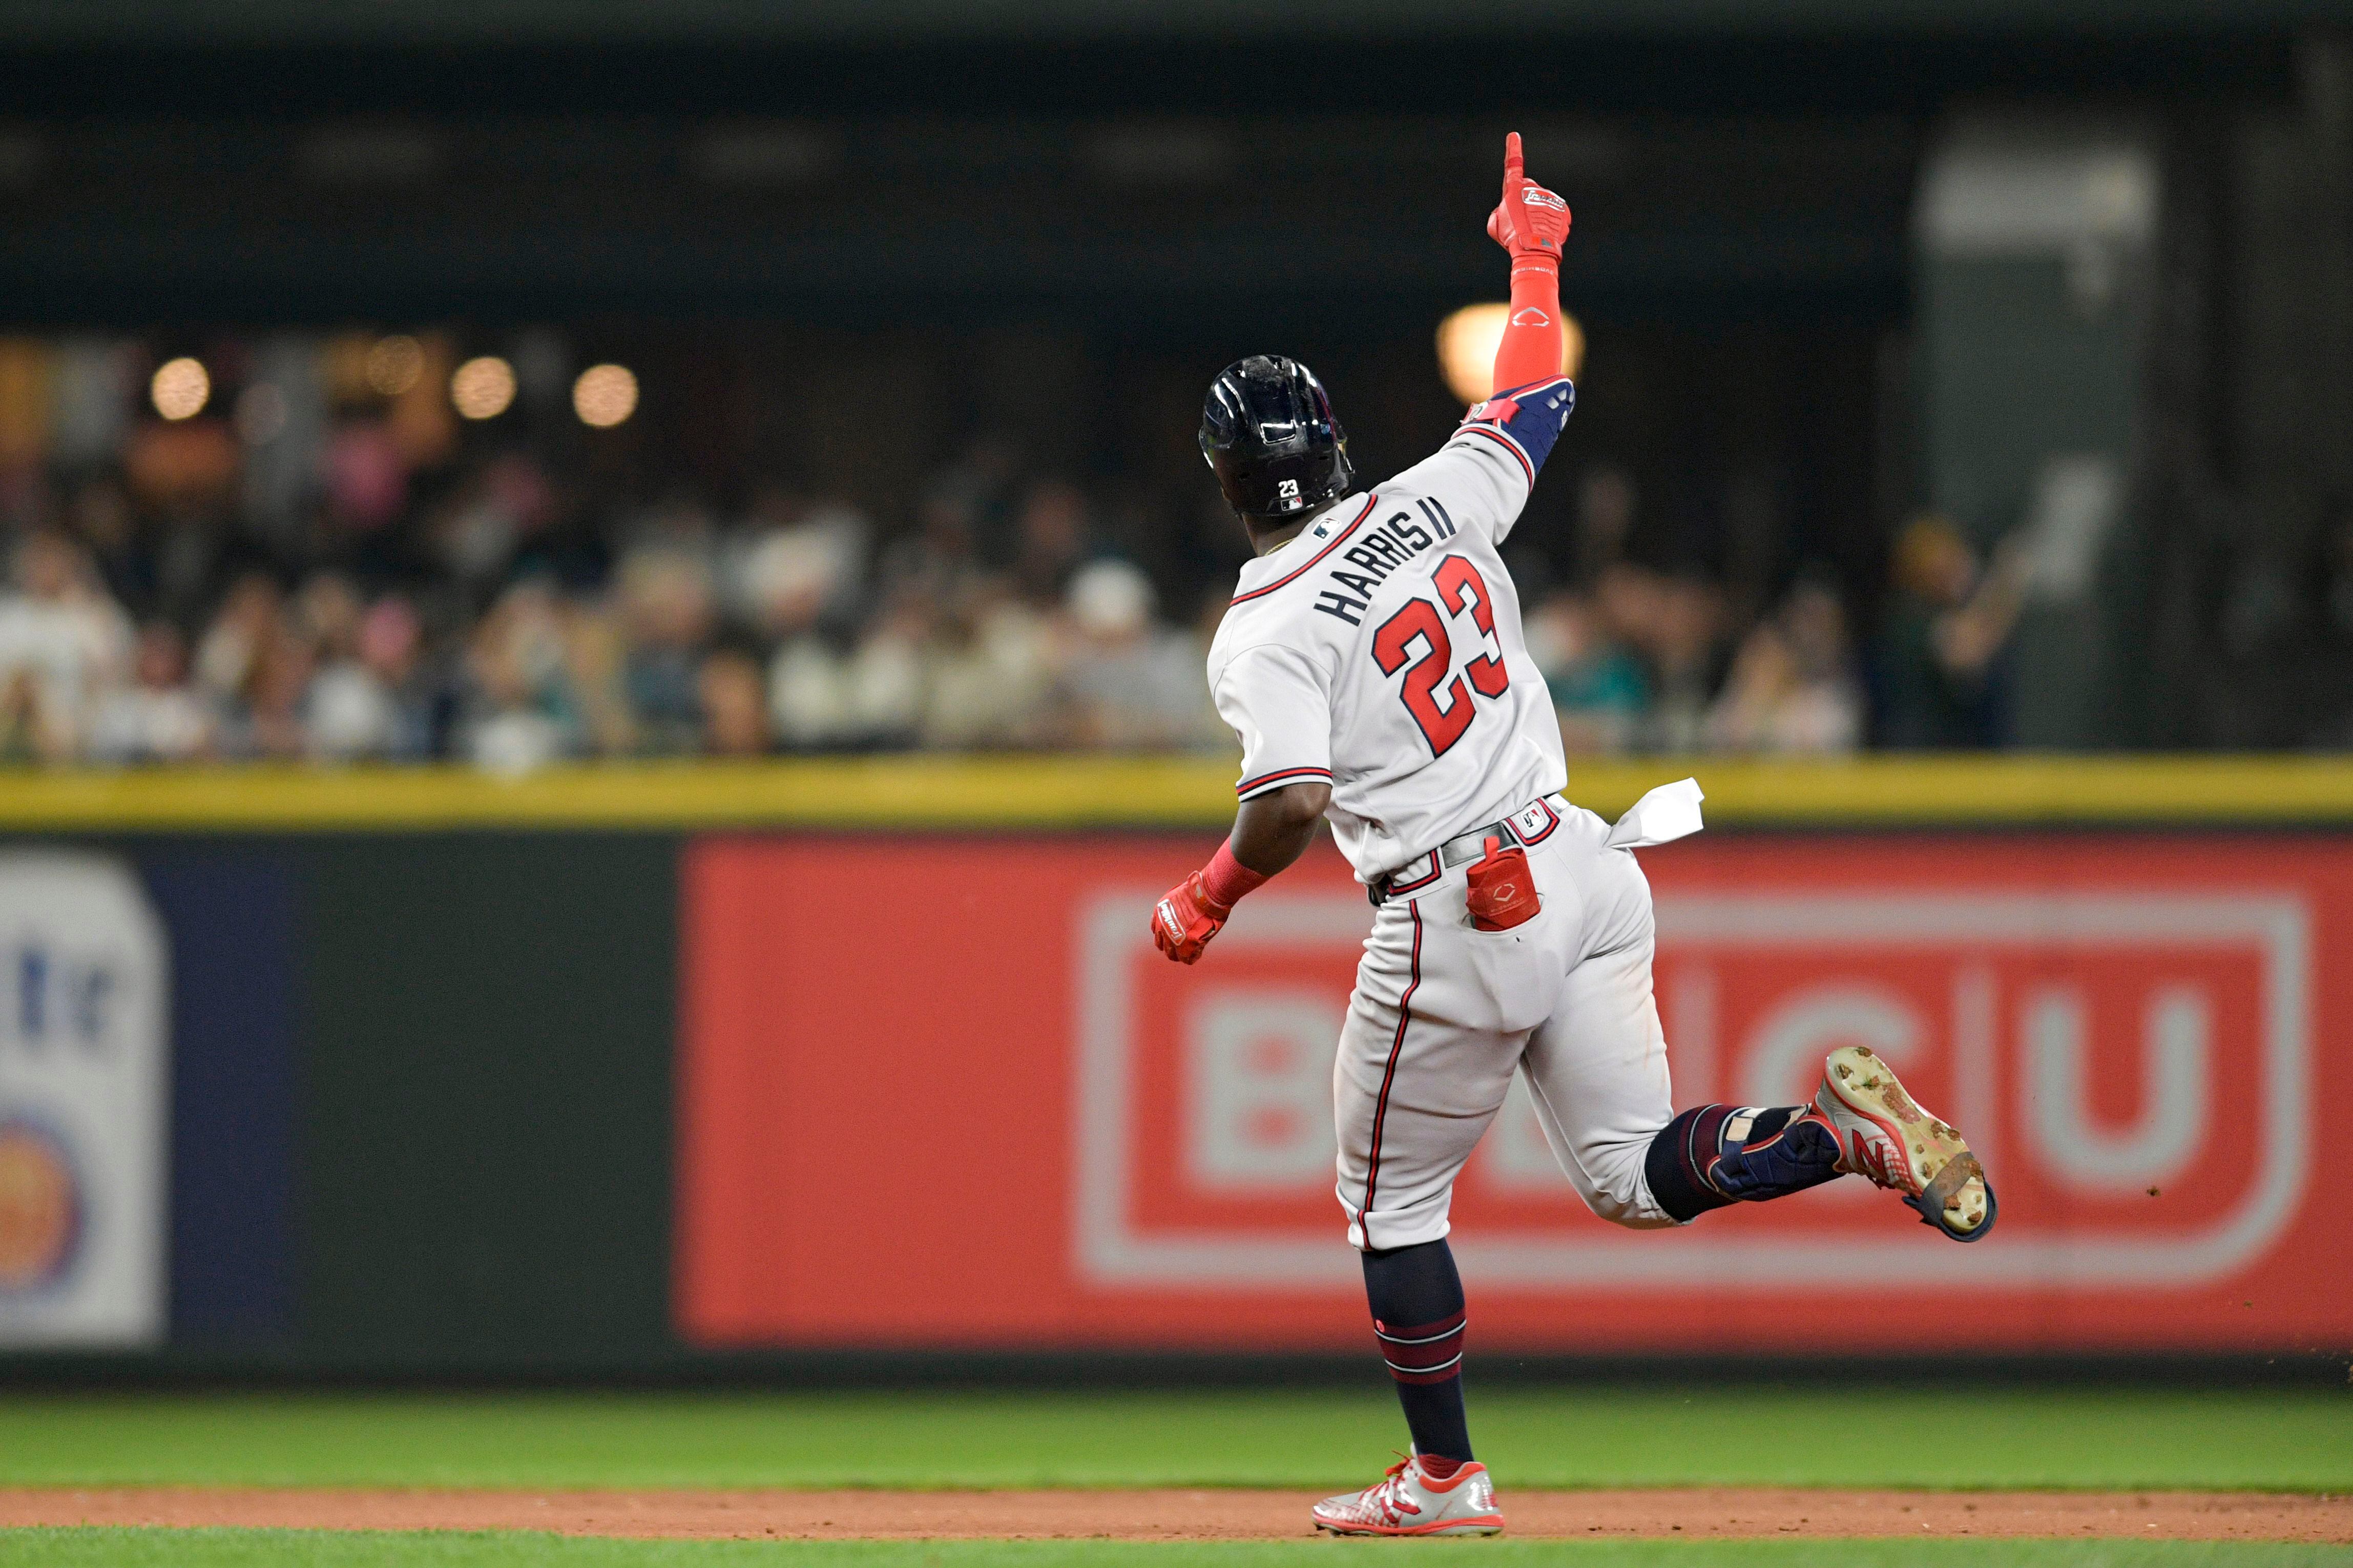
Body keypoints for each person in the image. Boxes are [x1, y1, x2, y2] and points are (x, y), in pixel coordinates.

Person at [1151, 135, 1996, 1539]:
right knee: (1633, 1179)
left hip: (1457, 903)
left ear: (1226, 480)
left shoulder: (1263, 626)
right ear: (1336, 448)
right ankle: (1841, 1148)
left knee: (1388, 1207)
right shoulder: (1429, 497)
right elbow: (1536, 391)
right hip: (1587, 865)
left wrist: (1204, 895)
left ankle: (1440, 1476)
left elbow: (1289, 800)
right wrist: (1533, 254)